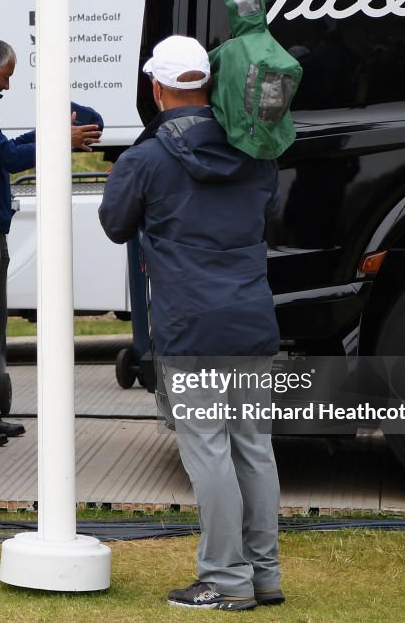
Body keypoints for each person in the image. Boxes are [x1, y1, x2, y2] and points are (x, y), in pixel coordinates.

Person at [98, 35, 284, 611]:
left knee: (208, 452)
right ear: (207, 83)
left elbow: (114, 224)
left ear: (157, 88)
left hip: (191, 326)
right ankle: (264, 574)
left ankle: (225, 580)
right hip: (252, 318)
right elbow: (266, 214)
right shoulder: (257, 151)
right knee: (254, 449)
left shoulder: (147, 159)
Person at [0, 39, 103, 447]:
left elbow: (4, 151)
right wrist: (57, 139)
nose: (7, 86)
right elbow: (8, 158)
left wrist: (54, 131)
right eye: (6, 76)